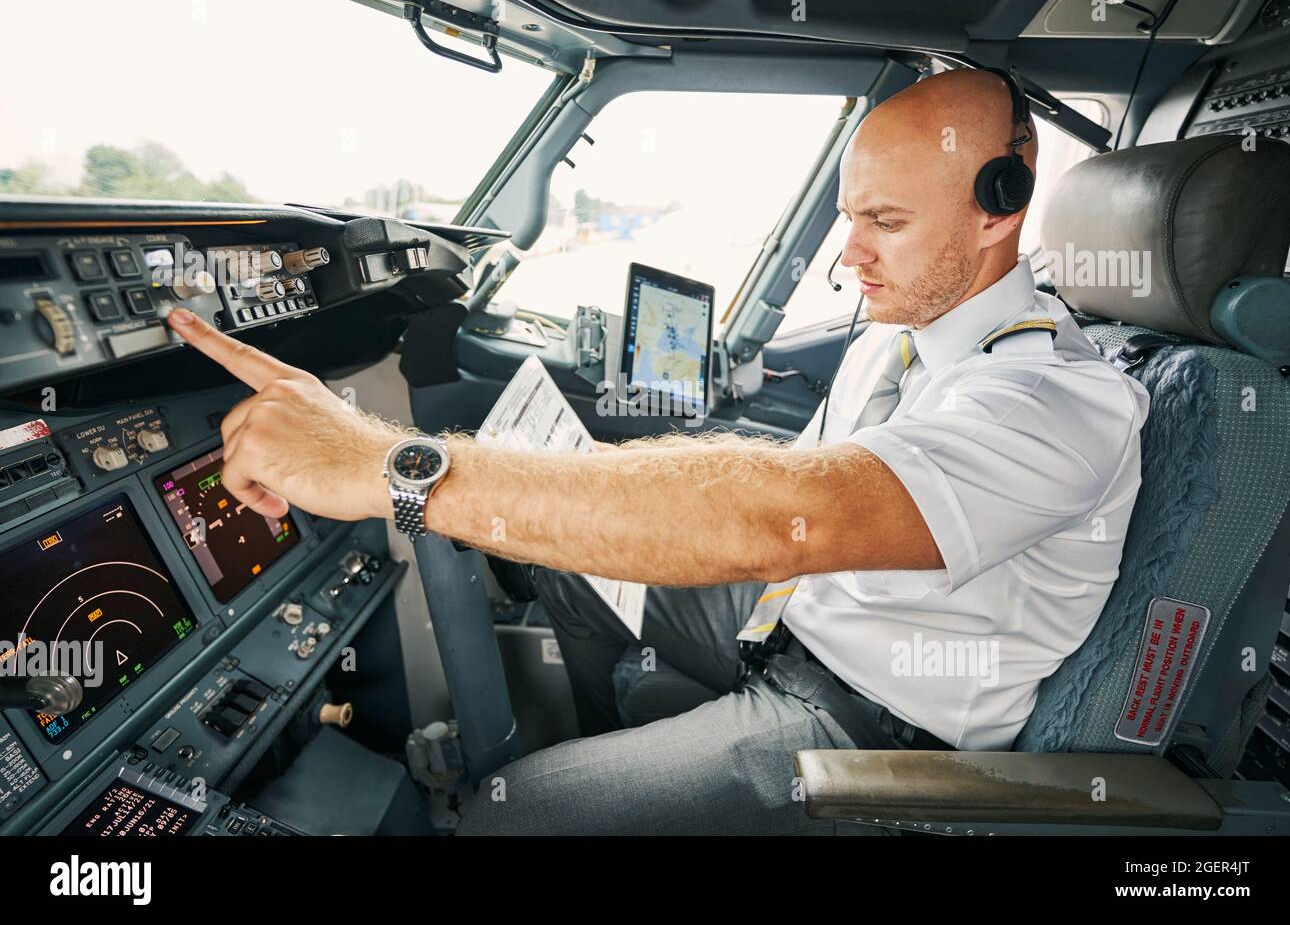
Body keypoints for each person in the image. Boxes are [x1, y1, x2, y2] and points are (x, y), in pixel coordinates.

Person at [166, 68, 1150, 835]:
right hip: (794, 620)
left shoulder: (1053, 399)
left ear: (999, 203)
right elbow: (779, 476)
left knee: (509, 810)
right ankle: (630, 760)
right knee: (564, 556)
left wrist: (391, 468)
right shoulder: (899, 337)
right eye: (850, 215)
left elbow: (777, 518)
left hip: (876, 721)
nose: (849, 253)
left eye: (884, 224)